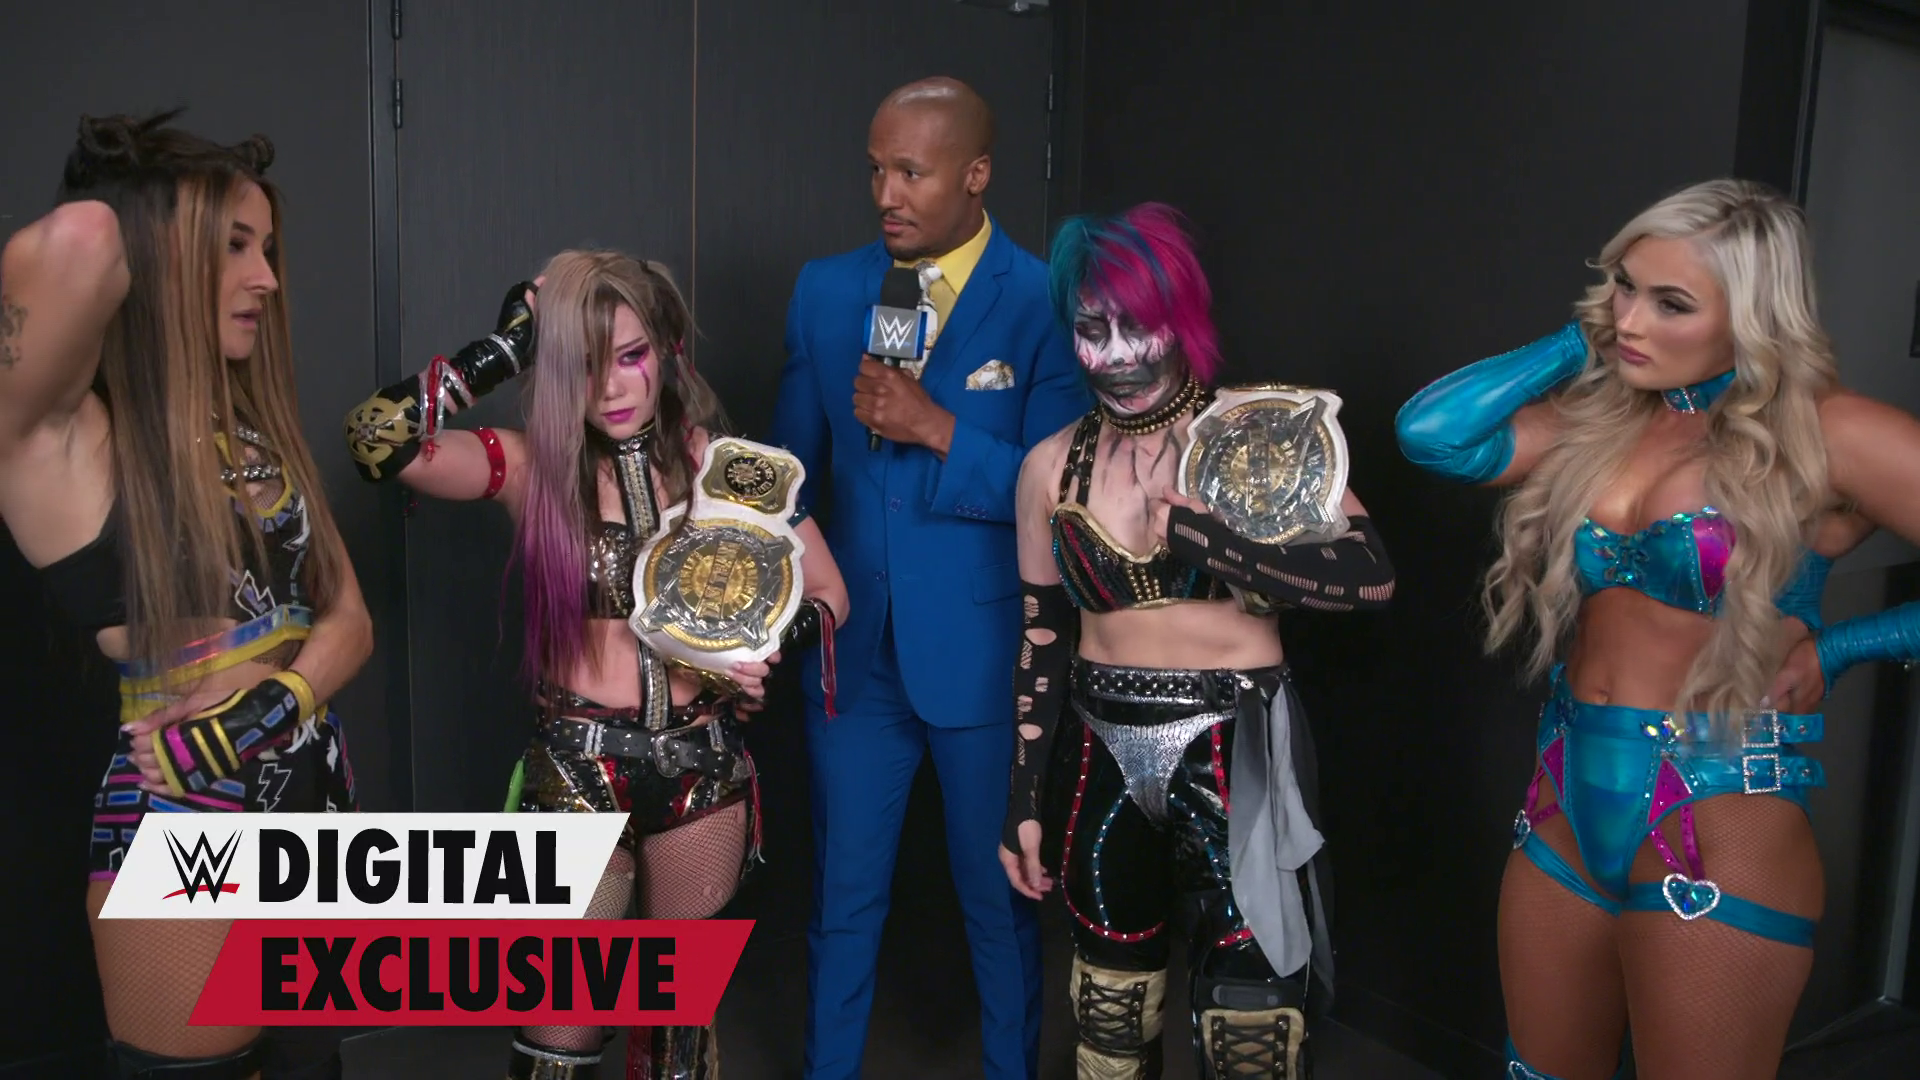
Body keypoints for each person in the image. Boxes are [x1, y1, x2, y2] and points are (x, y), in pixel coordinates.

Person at [1393, 178, 1920, 1079]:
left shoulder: (1826, 433)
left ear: (1753, 316)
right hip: (1566, 792)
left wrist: (1842, 648)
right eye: (1624, 288)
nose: (1631, 320)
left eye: (1671, 303)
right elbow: (1432, 434)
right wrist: (1582, 339)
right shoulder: (1605, 421)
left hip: (1722, 802)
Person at [343, 249, 848, 1080]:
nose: (611, 386)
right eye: (580, 363)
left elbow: (828, 594)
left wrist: (764, 650)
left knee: (677, 1043)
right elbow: (376, 441)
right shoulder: (530, 467)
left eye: (630, 355)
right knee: (557, 1048)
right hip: (577, 774)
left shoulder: (724, 467)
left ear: (666, 350)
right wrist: (505, 348)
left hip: (701, 770)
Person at [0, 111, 368, 1078]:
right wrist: (155, 198)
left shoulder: (255, 435)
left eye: (268, 248)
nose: (267, 278)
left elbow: (351, 623)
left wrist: (267, 706)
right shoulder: (68, 442)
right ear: (163, 253)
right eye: (234, 246)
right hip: (186, 824)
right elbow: (78, 240)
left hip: (314, 807)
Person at [997, 203, 1395, 1079]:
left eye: (1139, 324)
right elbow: (1041, 640)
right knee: (1107, 1014)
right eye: (1092, 329)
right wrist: (1022, 799)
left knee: (1250, 1030)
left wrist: (1216, 545)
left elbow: (1370, 576)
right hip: (1099, 748)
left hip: (1234, 744)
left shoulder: (1260, 437)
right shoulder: (1049, 466)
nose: (1118, 353)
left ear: (1183, 319)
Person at [767, 76, 1090, 1079]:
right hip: (852, 660)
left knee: (999, 904)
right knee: (842, 902)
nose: (885, 195)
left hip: (985, 664)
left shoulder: (1043, 302)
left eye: (910, 172)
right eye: (875, 170)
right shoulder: (827, 292)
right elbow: (785, 480)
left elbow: (1062, 494)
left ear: (977, 173)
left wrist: (938, 428)